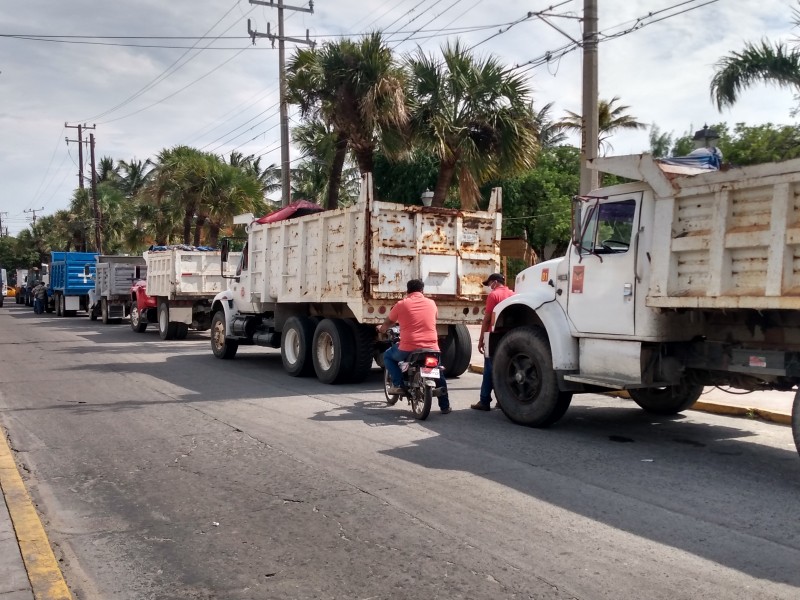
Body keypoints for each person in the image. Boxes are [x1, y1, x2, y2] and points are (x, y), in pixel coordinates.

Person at [377, 279, 451, 414]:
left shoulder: (401, 304)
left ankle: (399, 385)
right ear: (422, 291)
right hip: (432, 347)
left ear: (407, 291)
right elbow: (434, 317)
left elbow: (389, 321)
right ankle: (445, 406)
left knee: (388, 356)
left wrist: (381, 329)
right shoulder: (432, 303)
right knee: (438, 371)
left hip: (408, 347)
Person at [472, 273, 515, 411]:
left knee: (489, 368)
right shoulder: (513, 293)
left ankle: (484, 400)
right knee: (506, 368)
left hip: (494, 336)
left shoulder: (494, 295)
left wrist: (482, 339)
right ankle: (503, 400)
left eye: (490, 284)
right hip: (510, 335)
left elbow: (487, 319)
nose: (489, 287)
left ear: (495, 282)